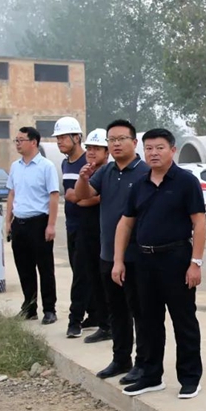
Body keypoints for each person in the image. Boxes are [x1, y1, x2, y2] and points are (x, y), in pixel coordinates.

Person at [111, 128, 205, 398]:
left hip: (176, 260)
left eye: (160, 147)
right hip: (144, 261)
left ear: (173, 150)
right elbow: (125, 223)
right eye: (149, 148)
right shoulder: (139, 185)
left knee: (183, 320)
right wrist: (118, 260)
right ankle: (151, 375)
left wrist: (195, 263)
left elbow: (199, 223)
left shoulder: (186, 182)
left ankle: (190, 378)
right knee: (148, 321)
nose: (154, 153)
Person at [75, 119, 149, 384]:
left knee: (140, 312)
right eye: (112, 140)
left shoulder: (145, 172)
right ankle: (120, 359)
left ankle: (143, 364)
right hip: (108, 253)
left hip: (137, 256)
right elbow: (83, 196)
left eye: (121, 139)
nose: (116, 144)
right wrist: (83, 178)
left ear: (134, 142)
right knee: (116, 311)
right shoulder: (105, 172)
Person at [5, 126, 60, 324]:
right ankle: (29, 308)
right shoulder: (15, 166)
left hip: (39, 223)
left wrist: (51, 225)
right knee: (24, 268)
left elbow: (54, 195)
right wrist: (8, 221)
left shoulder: (46, 166)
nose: (18, 144)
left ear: (34, 142)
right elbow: (12, 193)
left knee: (45, 268)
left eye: (21, 140)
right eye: (16, 140)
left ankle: (49, 310)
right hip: (19, 223)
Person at [53, 117, 96, 338]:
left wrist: (76, 198)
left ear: (77, 137)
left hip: (88, 226)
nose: (59, 141)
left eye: (63, 137)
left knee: (81, 275)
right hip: (71, 225)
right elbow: (70, 195)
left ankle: (75, 320)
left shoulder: (88, 162)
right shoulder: (65, 163)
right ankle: (95, 314)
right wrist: (73, 198)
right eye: (58, 138)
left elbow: (95, 195)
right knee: (81, 271)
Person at [71, 128, 112, 344]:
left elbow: (88, 199)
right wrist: (81, 195)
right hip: (86, 232)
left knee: (108, 282)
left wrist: (82, 198)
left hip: (105, 234)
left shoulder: (110, 173)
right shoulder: (87, 172)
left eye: (97, 148)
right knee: (89, 277)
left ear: (107, 152)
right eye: (89, 148)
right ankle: (99, 322)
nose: (92, 152)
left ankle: (112, 324)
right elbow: (78, 196)